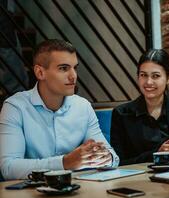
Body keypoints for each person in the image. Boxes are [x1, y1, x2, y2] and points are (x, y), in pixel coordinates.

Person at [0, 39, 119, 180]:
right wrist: (64, 163)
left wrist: (105, 157)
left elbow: (113, 158)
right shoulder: (15, 107)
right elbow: (9, 168)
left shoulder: (83, 106)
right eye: (63, 68)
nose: (73, 75)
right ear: (40, 72)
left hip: (77, 190)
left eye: (75, 68)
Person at [110, 49, 169, 165]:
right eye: (143, 75)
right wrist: (156, 154)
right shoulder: (121, 113)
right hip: (134, 180)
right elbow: (117, 162)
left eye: (156, 76)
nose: (148, 82)